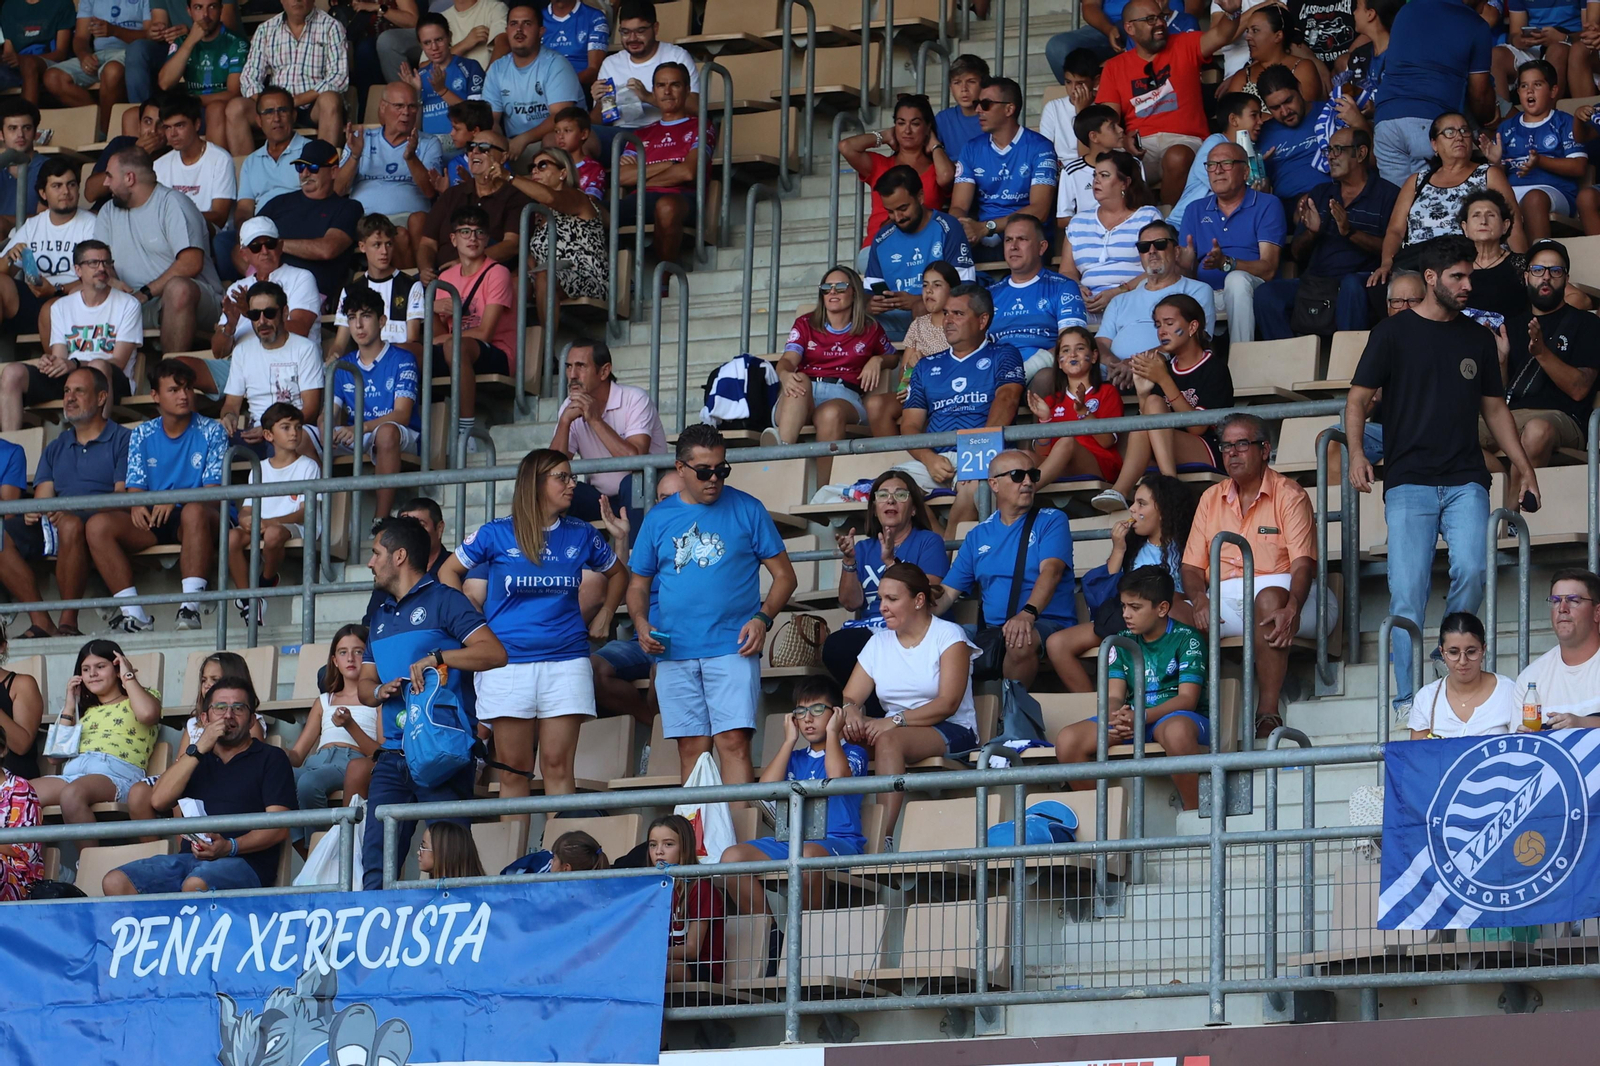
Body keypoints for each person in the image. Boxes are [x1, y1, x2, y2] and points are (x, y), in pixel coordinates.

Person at [1347, 235, 1542, 713]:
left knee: (1475, 569)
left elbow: (1495, 410)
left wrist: (1524, 466)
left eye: (1470, 275)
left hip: (1466, 477)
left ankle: (1446, 648)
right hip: (1409, 479)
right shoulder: (1391, 333)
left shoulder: (1476, 336)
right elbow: (1356, 400)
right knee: (1407, 594)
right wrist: (1356, 452)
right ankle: (1407, 698)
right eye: (1458, 276)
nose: (1468, 285)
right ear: (1431, 279)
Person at [441, 448, 625, 798]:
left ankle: (564, 854)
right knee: (513, 772)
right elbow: (448, 571)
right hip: (507, 663)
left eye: (571, 477)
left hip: (566, 661)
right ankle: (518, 855)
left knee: (557, 767)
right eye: (563, 477)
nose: (572, 484)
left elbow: (618, 574)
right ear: (535, 484)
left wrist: (605, 613)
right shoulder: (495, 533)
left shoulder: (581, 532)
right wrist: (470, 626)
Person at [628, 424, 798, 786]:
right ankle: (696, 842)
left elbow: (785, 576)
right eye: (704, 471)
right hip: (674, 648)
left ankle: (735, 843)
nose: (714, 479)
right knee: (691, 747)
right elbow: (637, 585)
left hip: (732, 646)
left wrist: (762, 618)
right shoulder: (658, 518)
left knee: (734, 742)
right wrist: (641, 623)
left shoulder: (748, 508)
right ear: (680, 469)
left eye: (722, 470)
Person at [357, 514, 508, 891]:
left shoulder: (445, 601)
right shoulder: (378, 615)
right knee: (376, 860)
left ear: (400, 556)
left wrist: (439, 658)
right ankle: (377, 944)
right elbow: (364, 684)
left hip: (441, 751)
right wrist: (379, 692)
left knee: (451, 857)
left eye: (376, 553)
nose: (370, 562)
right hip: (392, 754)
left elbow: (494, 653)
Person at [1181, 412, 1323, 735]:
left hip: (1293, 596)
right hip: (1226, 598)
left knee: (1268, 599)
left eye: (1242, 444)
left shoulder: (1290, 494)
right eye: (1226, 446)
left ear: (1265, 450)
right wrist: (1199, 599)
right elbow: (1190, 567)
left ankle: (1268, 712)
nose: (1231, 453)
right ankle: (1191, 709)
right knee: (1171, 611)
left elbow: (1304, 564)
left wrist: (1292, 608)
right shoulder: (1210, 498)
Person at [103, 676, 297, 894]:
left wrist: (230, 847)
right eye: (220, 707)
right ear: (205, 718)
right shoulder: (195, 758)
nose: (228, 715)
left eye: (238, 708)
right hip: (188, 861)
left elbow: (279, 827)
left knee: (196, 884)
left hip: (244, 863)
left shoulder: (271, 758)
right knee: (115, 881)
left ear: (252, 720)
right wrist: (199, 747)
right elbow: (158, 800)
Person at [88, 359, 227, 633]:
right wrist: (138, 505)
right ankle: (134, 614)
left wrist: (175, 497)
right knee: (97, 525)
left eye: (187, 388)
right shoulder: (141, 433)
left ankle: (190, 606)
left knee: (193, 511)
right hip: (156, 516)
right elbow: (135, 488)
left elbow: (214, 494)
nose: (183, 395)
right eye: (174, 389)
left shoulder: (213, 430)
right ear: (155, 396)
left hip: (201, 513)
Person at [844, 562, 978, 845]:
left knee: (890, 741)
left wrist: (892, 721)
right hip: (896, 727)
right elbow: (850, 695)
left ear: (919, 600)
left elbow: (948, 703)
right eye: (880, 598)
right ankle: (837, 832)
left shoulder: (949, 635)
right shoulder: (879, 642)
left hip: (952, 727)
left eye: (892, 599)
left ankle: (883, 837)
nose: (882, 606)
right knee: (835, 732)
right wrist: (851, 711)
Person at [1055, 565, 1208, 807]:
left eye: (1135, 607)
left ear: (1162, 608)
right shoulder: (1121, 640)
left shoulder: (1187, 638)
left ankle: (1195, 818)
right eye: (1124, 606)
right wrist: (1118, 717)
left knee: (1177, 732)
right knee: (1067, 740)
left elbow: (1187, 699)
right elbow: (1114, 695)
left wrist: (1141, 716)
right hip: (1134, 718)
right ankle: (1105, 822)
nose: (1126, 614)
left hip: (1177, 716)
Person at [722, 675, 870, 914]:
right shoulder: (794, 757)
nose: (808, 719)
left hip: (839, 842)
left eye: (817, 710)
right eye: (800, 712)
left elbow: (838, 779)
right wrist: (789, 741)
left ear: (836, 713)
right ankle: (769, 935)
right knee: (732, 857)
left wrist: (834, 733)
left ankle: (807, 940)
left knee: (807, 855)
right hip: (791, 842)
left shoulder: (855, 752)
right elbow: (765, 791)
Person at [0, 367, 129, 638]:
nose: (69, 398)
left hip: (102, 521)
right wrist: (36, 512)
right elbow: (43, 497)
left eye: (79, 391)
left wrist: (71, 509)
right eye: (66, 391)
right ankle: (41, 621)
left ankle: (68, 622)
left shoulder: (122, 438)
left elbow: (124, 498)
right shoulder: (56, 446)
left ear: (102, 397)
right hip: (59, 522)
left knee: (69, 523)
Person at [936, 449, 1080, 688]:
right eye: (1017, 475)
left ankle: (1011, 714)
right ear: (994, 484)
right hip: (993, 629)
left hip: (1046, 622)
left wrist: (1027, 614)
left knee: (1019, 639)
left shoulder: (1052, 519)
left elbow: (1051, 572)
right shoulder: (978, 535)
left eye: (1032, 475)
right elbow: (947, 593)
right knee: (943, 641)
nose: (1027, 482)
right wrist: (915, 614)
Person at [1093, 293, 1234, 513]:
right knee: (1150, 405)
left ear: (1192, 326)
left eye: (1169, 323)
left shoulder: (1213, 367)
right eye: (1158, 325)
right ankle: (1131, 490)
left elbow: (1198, 427)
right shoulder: (1164, 369)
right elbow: (1149, 420)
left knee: (1154, 404)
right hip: (1166, 446)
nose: (1162, 331)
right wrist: (1143, 392)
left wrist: (1163, 380)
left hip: (1209, 448)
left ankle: (1154, 486)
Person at [900, 283, 1025, 529]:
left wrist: (978, 453)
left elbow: (1007, 400)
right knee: (893, 486)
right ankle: (938, 547)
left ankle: (949, 557)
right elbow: (910, 424)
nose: (947, 320)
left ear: (982, 320)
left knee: (973, 486)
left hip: (984, 454)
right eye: (946, 313)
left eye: (958, 314)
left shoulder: (1003, 354)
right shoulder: (926, 366)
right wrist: (928, 459)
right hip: (936, 458)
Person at [820, 470, 951, 706]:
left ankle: (878, 715)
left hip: (914, 628)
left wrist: (891, 563)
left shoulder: (929, 542)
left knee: (857, 647)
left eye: (900, 495)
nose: (891, 500)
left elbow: (930, 596)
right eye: (882, 495)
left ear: (913, 509)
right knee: (836, 647)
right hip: (872, 631)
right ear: (874, 508)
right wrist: (849, 561)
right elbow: (851, 603)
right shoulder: (863, 548)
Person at [1094, 0, 1247, 200]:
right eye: (1150, 19)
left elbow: (1221, 35)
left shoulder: (1185, 43)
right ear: (1129, 28)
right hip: (1140, 145)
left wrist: (1231, 14)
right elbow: (1107, 119)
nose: (1159, 23)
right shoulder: (1115, 67)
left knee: (1177, 157)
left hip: (1185, 140)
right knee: (1111, 170)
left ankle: (1167, 224)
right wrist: (1123, 140)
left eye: (1160, 17)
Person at [1049, 473, 1197, 680]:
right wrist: (1118, 549)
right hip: (1125, 618)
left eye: (1141, 504)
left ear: (1163, 511)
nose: (1133, 509)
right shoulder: (1132, 546)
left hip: (1164, 620)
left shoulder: (1189, 546)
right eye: (1134, 503)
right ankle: (1097, 707)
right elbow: (1105, 592)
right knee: (1057, 644)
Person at [1486, 240, 1600, 508]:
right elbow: (1502, 395)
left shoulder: (1586, 324)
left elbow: (1579, 389)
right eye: (1537, 270)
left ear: (1566, 279)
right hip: (1509, 415)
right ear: (1526, 276)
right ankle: (1504, 484)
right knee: (1449, 429)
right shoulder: (1510, 326)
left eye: (1555, 271)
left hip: (1563, 418)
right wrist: (1501, 362)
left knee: (1537, 430)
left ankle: (1510, 520)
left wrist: (1541, 353)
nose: (1546, 277)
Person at [1256, 126, 1398, 338]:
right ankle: (1288, 363)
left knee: (1351, 286)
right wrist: (1312, 233)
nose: (1330, 157)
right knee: (1265, 294)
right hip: (1317, 282)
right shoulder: (1321, 193)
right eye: (1328, 150)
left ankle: (1350, 363)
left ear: (1361, 153)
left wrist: (1350, 232)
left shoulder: (1387, 194)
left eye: (1338, 150)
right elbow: (1296, 253)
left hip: (1360, 282)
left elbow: (1392, 248)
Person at [95, 145, 224, 355]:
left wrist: (145, 293)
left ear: (129, 178)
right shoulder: (108, 211)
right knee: (77, 295)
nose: (105, 182)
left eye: (109, 176)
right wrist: (112, 281)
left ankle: (170, 373)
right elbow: (97, 259)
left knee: (178, 290)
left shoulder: (173, 203)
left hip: (196, 300)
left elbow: (191, 263)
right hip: (134, 303)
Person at [0, 240, 139, 433]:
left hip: (110, 379)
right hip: (70, 378)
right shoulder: (61, 307)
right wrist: (51, 362)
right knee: (12, 373)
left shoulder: (128, 305)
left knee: (99, 365)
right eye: (94, 263)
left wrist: (74, 363)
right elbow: (60, 356)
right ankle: (8, 449)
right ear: (77, 270)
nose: (102, 268)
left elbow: (118, 362)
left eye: (106, 263)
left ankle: (101, 442)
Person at [1374, 113, 1524, 288]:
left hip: (1471, 260)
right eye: (1449, 132)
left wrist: (1522, 268)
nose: (1459, 136)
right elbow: (1395, 230)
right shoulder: (1416, 181)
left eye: (1464, 131)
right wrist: (1386, 263)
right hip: (1421, 261)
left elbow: (1513, 225)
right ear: (1434, 144)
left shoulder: (1489, 174)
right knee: (1378, 286)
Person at [770, 267, 897, 469]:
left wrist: (878, 360)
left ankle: (823, 491)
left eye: (840, 287)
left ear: (854, 291)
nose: (832, 292)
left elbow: (894, 358)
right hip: (803, 395)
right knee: (799, 379)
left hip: (844, 396)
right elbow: (788, 360)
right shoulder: (805, 323)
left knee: (831, 413)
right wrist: (784, 374)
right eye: (827, 287)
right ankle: (780, 458)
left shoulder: (869, 328)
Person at [31, 640, 160, 826]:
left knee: (72, 794)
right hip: (74, 775)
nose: (92, 674)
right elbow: (54, 757)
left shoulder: (142, 697)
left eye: (100, 666)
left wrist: (128, 676)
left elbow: (148, 714)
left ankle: (86, 856)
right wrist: (70, 703)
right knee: (17, 793)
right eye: (85, 669)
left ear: (117, 669)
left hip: (116, 774)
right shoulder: (84, 711)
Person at [590, 470, 682, 724]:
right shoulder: (651, 535)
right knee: (590, 670)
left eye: (677, 496)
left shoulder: (705, 537)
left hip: (686, 641)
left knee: (662, 673)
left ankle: (661, 743)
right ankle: (651, 727)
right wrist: (621, 540)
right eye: (663, 498)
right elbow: (623, 594)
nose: (669, 504)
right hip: (642, 640)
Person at [1371, 0, 1494, 184]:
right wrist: (1488, 120)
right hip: (1430, 121)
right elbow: (1480, 95)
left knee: (1398, 205)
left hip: (1386, 122)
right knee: (1435, 206)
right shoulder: (1476, 25)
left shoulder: (1408, 9)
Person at [1177, 140, 1285, 343]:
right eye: (1211, 165)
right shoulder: (1195, 209)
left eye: (1226, 163)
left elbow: (1269, 269)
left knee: (1236, 280)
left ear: (1245, 172)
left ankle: (1241, 358)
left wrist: (1227, 263)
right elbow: (1189, 273)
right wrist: (1183, 266)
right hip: (1206, 295)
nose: (1217, 171)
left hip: (1253, 290)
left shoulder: (1266, 204)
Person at [551, 336, 666, 523]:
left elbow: (635, 461)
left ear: (604, 371)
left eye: (581, 366)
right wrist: (564, 423)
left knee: (632, 484)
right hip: (601, 498)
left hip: (645, 494)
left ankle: (633, 553)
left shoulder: (634, 399)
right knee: (559, 489)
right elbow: (551, 467)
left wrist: (595, 419)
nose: (572, 375)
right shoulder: (569, 406)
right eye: (568, 366)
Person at [331, 287, 422, 519]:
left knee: (386, 433)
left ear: (382, 321)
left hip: (399, 432)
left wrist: (360, 428)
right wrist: (324, 427)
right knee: (302, 437)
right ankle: (317, 521)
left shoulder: (403, 358)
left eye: (366, 316)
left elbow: (402, 414)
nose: (358, 325)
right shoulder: (343, 364)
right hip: (357, 433)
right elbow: (329, 413)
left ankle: (380, 521)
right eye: (352, 318)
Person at [860, 164, 976, 341]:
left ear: (920, 197)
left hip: (941, 317)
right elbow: (869, 292)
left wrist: (917, 301)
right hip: (894, 320)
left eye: (903, 208)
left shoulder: (947, 228)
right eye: (890, 212)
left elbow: (964, 289)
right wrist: (870, 304)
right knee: (849, 316)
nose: (898, 218)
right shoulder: (882, 238)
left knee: (922, 309)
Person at [431, 203, 515, 445]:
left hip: (496, 352)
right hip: (454, 348)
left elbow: (485, 333)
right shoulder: (445, 278)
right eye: (465, 232)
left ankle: (466, 430)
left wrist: (440, 340)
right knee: (407, 353)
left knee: (454, 347)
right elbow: (438, 333)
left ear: (487, 239)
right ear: (453, 239)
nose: (473, 238)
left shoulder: (497, 272)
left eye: (479, 232)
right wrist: (432, 311)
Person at [227, 402, 319, 622]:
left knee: (273, 533)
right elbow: (247, 508)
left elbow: (305, 512)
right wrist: (246, 519)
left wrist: (270, 522)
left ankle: (265, 582)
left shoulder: (309, 466)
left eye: (298, 427)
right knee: (231, 537)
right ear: (268, 435)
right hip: (264, 524)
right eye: (286, 427)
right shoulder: (260, 468)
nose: (294, 433)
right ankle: (250, 600)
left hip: (297, 527)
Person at [285, 627, 379, 841]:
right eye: (343, 652)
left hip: (351, 761)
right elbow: (298, 755)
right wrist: (276, 755)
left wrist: (349, 725)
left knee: (309, 783)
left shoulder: (377, 699)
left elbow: (379, 752)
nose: (351, 658)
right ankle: (310, 852)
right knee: (275, 778)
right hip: (316, 760)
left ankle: (326, 848)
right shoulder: (324, 700)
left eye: (358, 651)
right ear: (335, 660)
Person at [336, 81, 442, 265]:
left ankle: (417, 283)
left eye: (411, 106)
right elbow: (338, 190)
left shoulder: (429, 143)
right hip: (367, 218)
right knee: (398, 235)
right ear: (383, 107)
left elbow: (430, 191)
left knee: (411, 226)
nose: (406, 112)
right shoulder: (360, 140)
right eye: (399, 106)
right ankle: (410, 288)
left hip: (410, 217)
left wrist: (411, 158)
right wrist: (354, 156)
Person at [616, 62, 709, 272]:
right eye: (660, 85)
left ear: (687, 90)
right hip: (640, 199)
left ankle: (666, 279)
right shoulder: (640, 134)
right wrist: (670, 164)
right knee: (590, 210)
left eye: (674, 85)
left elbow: (688, 172)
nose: (667, 91)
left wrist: (640, 176)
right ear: (654, 91)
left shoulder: (700, 125)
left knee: (666, 206)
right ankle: (617, 277)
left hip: (682, 198)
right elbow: (621, 178)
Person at [838, 94, 954, 258]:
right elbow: (846, 146)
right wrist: (883, 136)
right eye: (901, 123)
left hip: (924, 246)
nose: (907, 130)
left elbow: (946, 176)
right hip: (879, 244)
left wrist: (935, 145)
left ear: (928, 127)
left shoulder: (937, 166)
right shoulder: (881, 165)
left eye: (915, 123)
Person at [1096, 219, 1216, 377]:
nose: (1151, 251)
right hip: (1116, 376)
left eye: (1160, 244)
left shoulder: (1197, 290)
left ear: (1177, 251)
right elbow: (1101, 342)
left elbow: (1196, 338)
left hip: (1168, 374)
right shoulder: (1120, 300)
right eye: (1144, 247)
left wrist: (1134, 364)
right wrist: (1116, 364)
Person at [949, 76, 1059, 246]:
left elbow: (1040, 210)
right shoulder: (971, 149)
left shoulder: (1041, 147)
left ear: (1009, 109)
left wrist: (987, 227)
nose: (978, 109)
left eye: (986, 104)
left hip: (1026, 236)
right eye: (977, 103)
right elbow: (958, 206)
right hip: (983, 237)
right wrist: (963, 226)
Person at [228, 0, 348, 154]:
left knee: (330, 100)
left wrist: (296, 101)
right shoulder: (266, 29)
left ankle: (323, 169)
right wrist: (270, 104)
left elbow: (338, 78)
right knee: (235, 108)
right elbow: (249, 78)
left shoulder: (331, 27)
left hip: (312, 106)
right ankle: (245, 174)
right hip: (274, 106)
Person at [1060, 149, 1164, 327]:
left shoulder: (1147, 216)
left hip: (1134, 298)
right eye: (1095, 175)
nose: (1096, 181)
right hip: (1089, 304)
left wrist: (1118, 292)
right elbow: (1067, 271)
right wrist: (1079, 289)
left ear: (1125, 183)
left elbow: (1158, 267)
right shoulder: (1078, 222)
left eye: (1104, 175)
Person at [1492, 60, 1593, 241]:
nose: (1529, 91)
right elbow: (1498, 173)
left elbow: (1579, 167)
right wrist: (1495, 163)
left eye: (1537, 84)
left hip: (1555, 191)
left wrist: (1540, 161)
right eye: (1524, 86)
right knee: (1482, 201)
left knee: (1534, 198)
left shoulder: (1565, 122)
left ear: (1553, 91)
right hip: (1512, 190)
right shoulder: (1506, 127)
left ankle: (1540, 260)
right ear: (1519, 92)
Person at [0, 155, 96, 346]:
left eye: (71, 184)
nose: (66, 192)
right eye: (57, 186)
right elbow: (4, 273)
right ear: (43, 193)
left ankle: (57, 372)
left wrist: (56, 289)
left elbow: (99, 277)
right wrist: (9, 259)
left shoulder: (92, 224)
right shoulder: (33, 225)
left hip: (71, 298)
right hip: (34, 297)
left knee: (53, 307)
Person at [219, 281, 323, 455]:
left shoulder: (306, 348)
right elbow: (231, 404)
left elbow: (311, 409)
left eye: (269, 313)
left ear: (284, 313)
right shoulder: (242, 351)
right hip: (255, 434)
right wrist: (229, 417)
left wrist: (272, 430)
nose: (262, 321)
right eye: (254, 315)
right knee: (212, 441)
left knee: (277, 445)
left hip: (293, 431)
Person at [257, 139, 365, 306]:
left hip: (309, 295)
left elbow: (327, 249)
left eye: (313, 168)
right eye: (300, 167)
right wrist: (257, 273)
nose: (305, 173)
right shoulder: (278, 203)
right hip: (263, 287)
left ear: (334, 172)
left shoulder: (348, 208)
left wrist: (274, 244)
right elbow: (242, 244)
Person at [513, 145, 607, 337]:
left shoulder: (578, 198)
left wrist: (509, 177)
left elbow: (550, 197)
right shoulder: (539, 214)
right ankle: (517, 348)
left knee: (545, 276)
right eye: (532, 167)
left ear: (563, 172)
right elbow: (532, 259)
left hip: (586, 275)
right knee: (511, 282)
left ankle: (547, 353)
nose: (534, 171)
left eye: (543, 166)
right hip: (547, 277)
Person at [989, 213, 1090, 387]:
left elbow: (1073, 342)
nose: (1013, 246)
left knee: (1045, 378)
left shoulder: (1063, 286)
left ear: (1041, 247)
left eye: (1022, 239)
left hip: (1041, 371)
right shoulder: (990, 294)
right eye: (1008, 240)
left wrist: (1028, 368)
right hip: (996, 373)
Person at [591, 0, 701, 157]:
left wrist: (648, 96)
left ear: (655, 28)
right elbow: (597, 122)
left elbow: (696, 108)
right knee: (578, 136)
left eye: (640, 31)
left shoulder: (676, 56)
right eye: (625, 32)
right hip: (621, 135)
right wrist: (600, 103)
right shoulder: (610, 64)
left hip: (665, 131)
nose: (632, 38)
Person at [868, 260, 963, 438]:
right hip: (916, 392)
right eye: (925, 285)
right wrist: (910, 368)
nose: (928, 291)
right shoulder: (918, 325)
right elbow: (903, 375)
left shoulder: (960, 323)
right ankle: (896, 459)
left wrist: (927, 366)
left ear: (952, 290)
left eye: (937, 285)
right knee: (875, 404)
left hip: (950, 391)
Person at [418, 129, 527, 280]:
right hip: (441, 279)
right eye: (471, 147)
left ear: (503, 157)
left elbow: (512, 245)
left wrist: (465, 264)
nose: (474, 152)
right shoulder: (452, 194)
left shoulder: (515, 196)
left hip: (487, 279)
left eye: (483, 148)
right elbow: (427, 243)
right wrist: (425, 270)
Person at [212, 217, 321, 365]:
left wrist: (251, 313)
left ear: (280, 246)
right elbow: (218, 352)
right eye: (256, 247)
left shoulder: (301, 277)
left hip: (287, 363)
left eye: (270, 244)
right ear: (244, 254)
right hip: (241, 366)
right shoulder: (236, 288)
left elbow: (300, 330)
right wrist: (230, 326)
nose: (264, 251)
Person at [482, 3, 580, 162]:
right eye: (514, 24)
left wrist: (524, 139)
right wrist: (497, 142)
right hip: (514, 144)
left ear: (541, 31)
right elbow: (491, 118)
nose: (519, 29)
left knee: (551, 139)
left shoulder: (556, 64)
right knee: (484, 139)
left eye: (527, 23)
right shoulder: (497, 69)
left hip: (552, 140)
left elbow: (560, 117)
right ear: (506, 31)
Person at [41, 0, 147, 147]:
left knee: (112, 71)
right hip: (98, 54)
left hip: (131, 53)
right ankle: (100, 122)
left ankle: (104, 137)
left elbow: (151, 35)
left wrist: (115, 31)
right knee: (53, 77)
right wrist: (84, 55)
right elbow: (80, 38)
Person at [1028, 327, 1125, 487]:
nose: (1072, 355)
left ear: (1094, 356)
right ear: (1059, 362)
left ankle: (1028, 491)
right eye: (1065, 350)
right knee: (1023, 457)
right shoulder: (1051, 400)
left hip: (1098, 466)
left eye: (1079, 348)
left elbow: (1107, 441)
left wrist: (1084, 413)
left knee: (1068, 442)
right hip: (1058, 467)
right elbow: (1042, 453)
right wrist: (1044, 420)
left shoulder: (1107, 392)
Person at [1407, 613, 1520, 738]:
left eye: (1471, 652)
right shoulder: (1426, 698)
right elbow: (1416, 754)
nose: (1462, 661)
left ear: (1483, 650)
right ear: (1442, 653)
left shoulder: (1508, 691)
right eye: (1453, 652)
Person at [330, 214, 426, 359]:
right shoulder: (350, 291)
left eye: (389, 244)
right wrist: (333, 357)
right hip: (364, 364)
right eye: (377, 245)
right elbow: (339, 343)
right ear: (362, 247)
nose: (384, 252)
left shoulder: (411, 285)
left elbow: (412, 342)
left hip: (398, 362)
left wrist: (380, 355)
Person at [1514, 569, 1600, 726]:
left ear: (1597, 612)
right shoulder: (1530, 678)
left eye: (1574, 600)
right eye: (1555, 601)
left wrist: (1583, 724)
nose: (1562, 608)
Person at [1168, 92, 1264, 229]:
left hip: (1214, 225)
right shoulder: (1216, 142)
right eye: (1254, 115)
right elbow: (1218, 181)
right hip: (1181, 225)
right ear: (1234, 120)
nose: (1260, 121)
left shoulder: (1249, 152)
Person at [231, 86, 307, 259]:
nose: (276, 118)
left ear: (293, 115)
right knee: (225, 244)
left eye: (282, 110)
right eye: (268, 112)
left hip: (298, 225)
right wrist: (246, 232)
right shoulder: (251, 161)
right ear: (259, 120)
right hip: (260, 229)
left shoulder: (309, 151)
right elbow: (244, 208)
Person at [648, 814, 725, 982]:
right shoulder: (650, 888)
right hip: (660, 960)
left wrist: (649, 954)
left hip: (702, 967)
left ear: (685, 848)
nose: (658, 851)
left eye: (668, 844)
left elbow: (692, 950)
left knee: (650, 970)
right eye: (653, 845)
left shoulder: (699, 887)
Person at [155, 0, 246, 137]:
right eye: (198, 7)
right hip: (189, 108)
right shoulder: (183, 41)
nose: (205, 15)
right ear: (189, 11)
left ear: (221, 9)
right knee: (131, 115)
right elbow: (165, 83)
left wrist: (193, 101)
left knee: (215, 109)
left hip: (218, 108)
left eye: (212, 7)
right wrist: (190, 41)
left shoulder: (237, 43)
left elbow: (234, 93)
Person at [401, 13, 485, 161]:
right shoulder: (418, 77)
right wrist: (416, 95)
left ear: (449, 37)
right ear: (421, 45)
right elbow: (413, 131)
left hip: (465, 153)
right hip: (428, 154)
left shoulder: (470, 67)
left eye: (439, 39)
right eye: (427, 43)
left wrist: (442, 91)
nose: (434, 48)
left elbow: (478, 117)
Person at [154, 91, 235, 232]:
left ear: (197, 124)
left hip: (211, 236)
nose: (173, 134)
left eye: (179, 126)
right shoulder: (160, 164)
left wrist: (178, 218)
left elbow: (220, 217)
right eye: (167, 127)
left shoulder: (220, 159)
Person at [1217, 7, 1325, 104]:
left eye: (1255, 30)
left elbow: (1306, 114)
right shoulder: (1243, 76)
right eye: (1247, 31)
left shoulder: (1303, 68)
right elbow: (1234, 118)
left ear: (1278, 36)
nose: (1248, 37)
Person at [1457, 189, 1531, 321]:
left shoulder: (1522, 264)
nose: (1483, 221)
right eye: (1476, 215)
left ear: (1505, 226)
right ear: (1465, 227)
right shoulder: (1455, 267)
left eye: (1491, 215)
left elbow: (1571, 296)